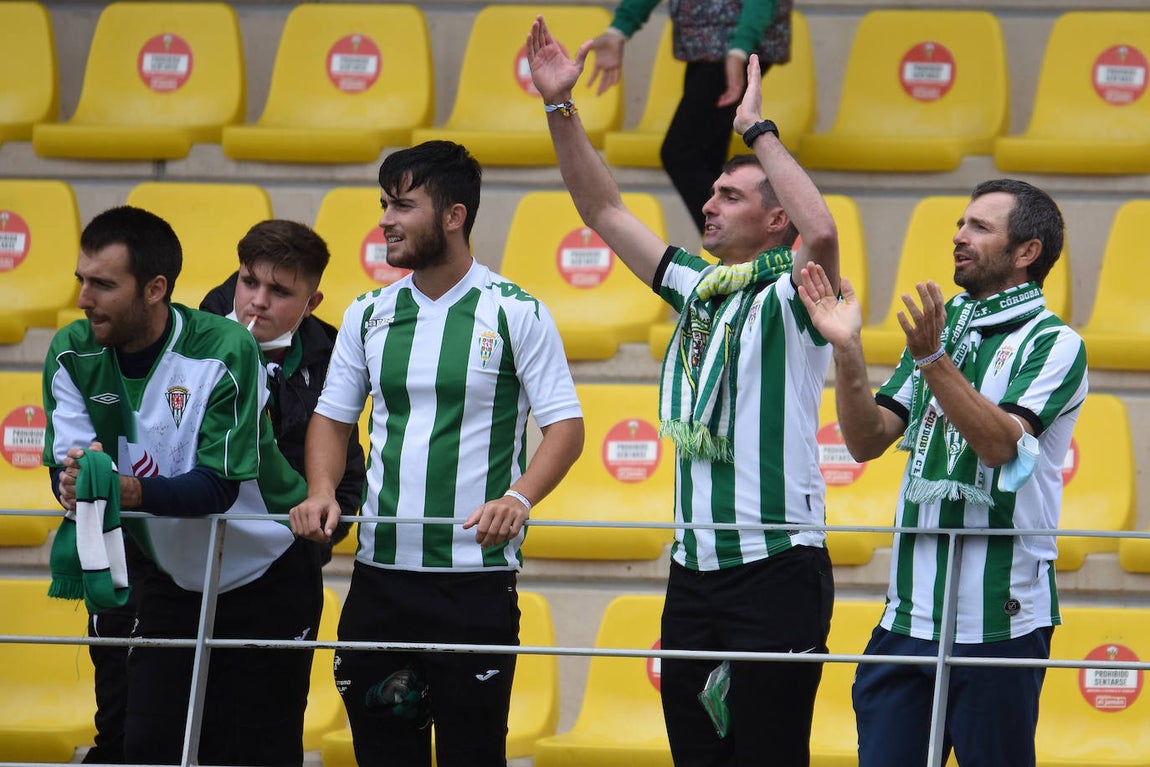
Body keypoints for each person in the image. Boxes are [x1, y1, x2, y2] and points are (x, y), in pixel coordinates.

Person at [529, 17, 837, 765]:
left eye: (729, 195)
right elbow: (603, 210)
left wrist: (757, 131)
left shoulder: (805, 288)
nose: (708, 202)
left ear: (774, 219)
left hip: (776, 568)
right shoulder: (700, 287)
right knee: (696, 755)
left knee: (769, 756)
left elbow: (821, 229)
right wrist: (560, 108)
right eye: (712, 192)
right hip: (694, 570)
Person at [288, 140, 585, 767]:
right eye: (383, 205)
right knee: (382, 755)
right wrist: (320, 490)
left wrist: (519, 496)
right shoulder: (368, 313)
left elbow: (566, 427)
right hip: (380, 579)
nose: (386, 221)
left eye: (403, 205)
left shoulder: (516, 311)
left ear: (453, 216)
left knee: (471, 756)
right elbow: (332, 421)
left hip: (475, 584)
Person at [797, 179, 1088, 766]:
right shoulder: (940, 325)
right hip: (907, 617)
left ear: (1027, 252)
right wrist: (847, 349)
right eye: (960, 223)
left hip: (1000, 625)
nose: (959, 235)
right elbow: (866, 439)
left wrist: (933, 360)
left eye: (980, 227)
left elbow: (1000, 446)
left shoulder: (1056, 344)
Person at [43, 206, 320, 766]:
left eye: (103, 284)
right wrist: (74, 483)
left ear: (154, 289)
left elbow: (216, 490)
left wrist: (123, 492)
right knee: (146, 748)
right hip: (169, 576)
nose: (84, 299)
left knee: (254, 755)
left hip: (267, 570)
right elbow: (66, 470)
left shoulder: (224, 350)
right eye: (82, 280)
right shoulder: (71, 352)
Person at [200, 218, 366, 565]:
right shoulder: (191, 346)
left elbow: (347, 475)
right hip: (196, 552)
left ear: (311, 304)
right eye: (249, 282)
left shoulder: (333, 357)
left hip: (288, 563)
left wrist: (312, 546)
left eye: (279, 291)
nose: (258, 301)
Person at [587, 0, 793, 235]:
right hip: (706, 46)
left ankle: (738, 247)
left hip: (735, 44)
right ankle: (735, 252)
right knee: (706, 156)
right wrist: (618, 30)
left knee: (681, 152)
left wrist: (739, 51)